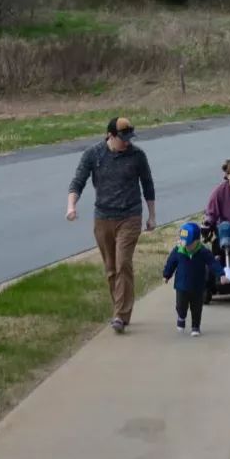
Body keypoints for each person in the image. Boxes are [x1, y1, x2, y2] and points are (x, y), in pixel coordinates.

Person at [67, 117, 157, 334]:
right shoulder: (93, 154)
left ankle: (120, 315)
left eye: (129, 138)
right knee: (111, 268)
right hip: (103, 217)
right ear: (110, 136)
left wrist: (152, 215)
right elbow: (78, 180)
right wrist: (71, 206)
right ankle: (120, 307)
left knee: (123, 262)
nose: (127, 143)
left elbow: (148, 185)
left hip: (130, 216)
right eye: (122, 139)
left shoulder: (137, 155)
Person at [163, 222, 228, 337]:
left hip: (198, 286)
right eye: (185, 243)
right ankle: (181, 317)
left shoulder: (203, 251)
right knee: (180, 305)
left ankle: (195, 326)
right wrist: (166, 275)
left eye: (189, 244)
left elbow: (213, 263)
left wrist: (221, 274)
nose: (186, 246)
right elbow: (171, 262)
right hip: (181, 286)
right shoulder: (179, 250)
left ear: (197, 241)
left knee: (197, 308)